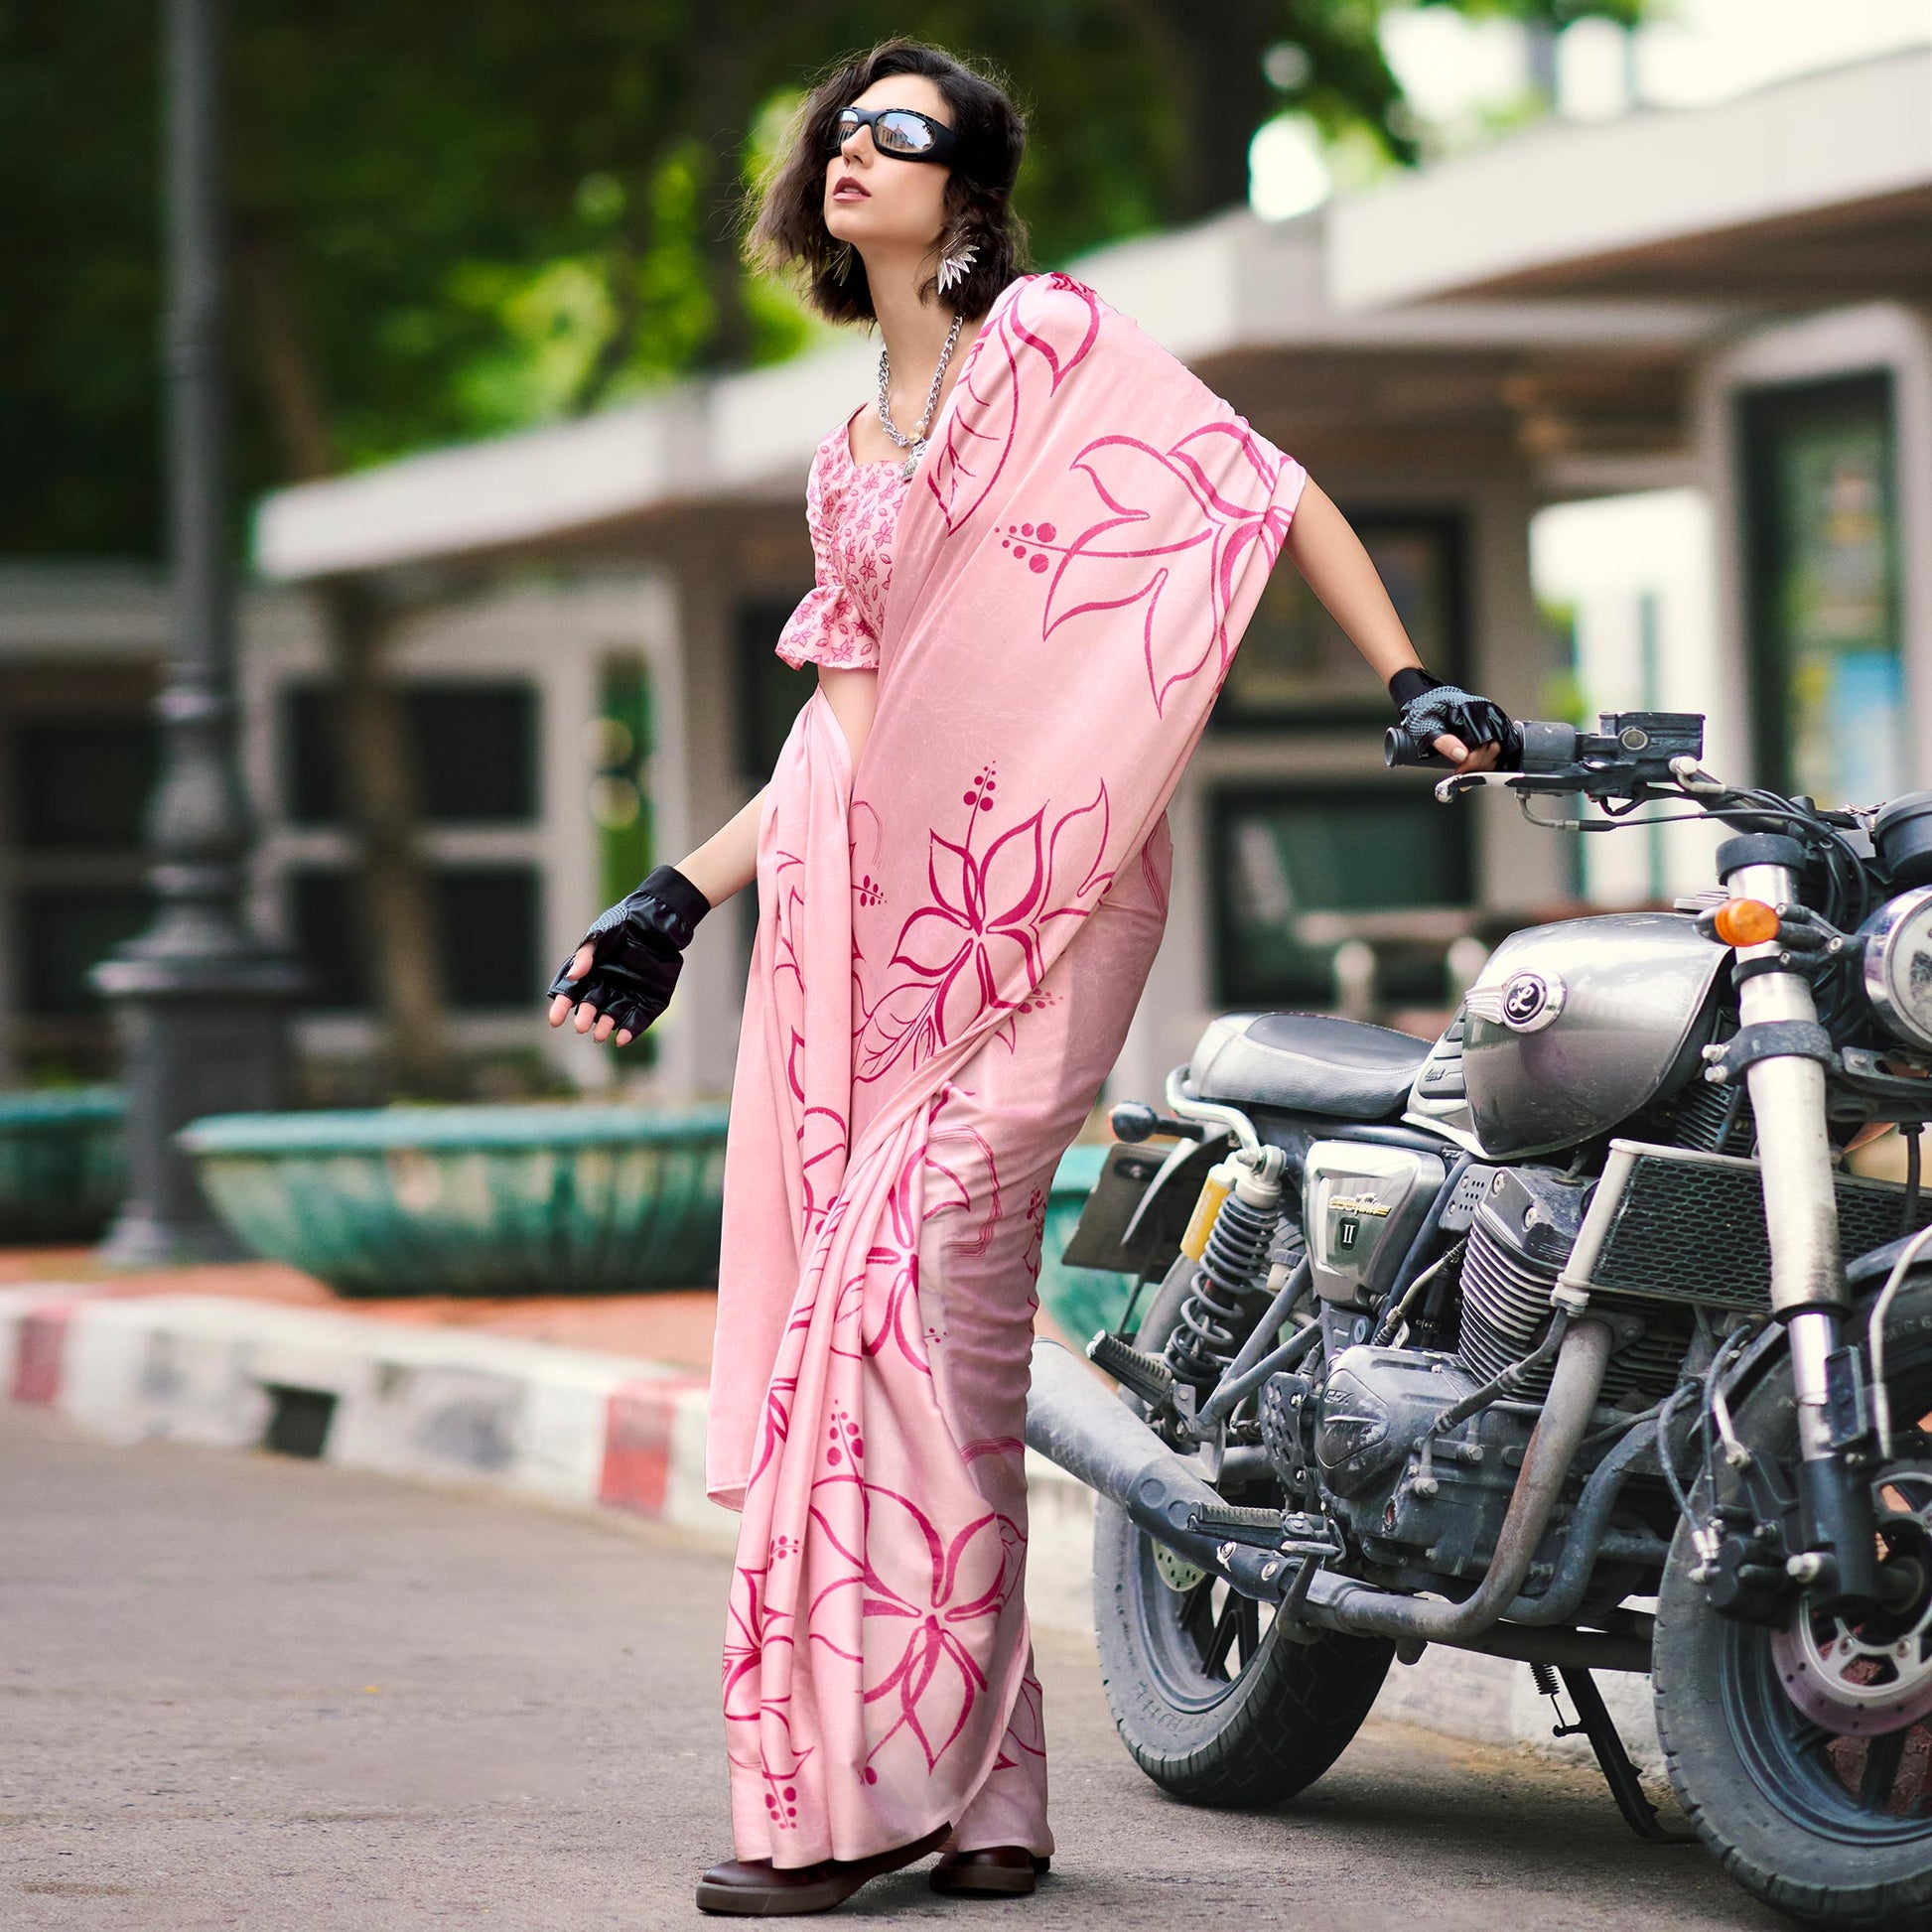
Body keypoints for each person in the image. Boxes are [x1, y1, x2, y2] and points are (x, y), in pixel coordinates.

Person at [546, 37, 1513, 1917]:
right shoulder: (846, 460)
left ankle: (863, 1792)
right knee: (907, 1355)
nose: (853, 153)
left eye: (897, 132)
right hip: (845, 919)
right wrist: (676, 894)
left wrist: (1409, 683)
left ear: (968, 182)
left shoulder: (1053, 347)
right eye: (838, 130)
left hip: (1039, 901)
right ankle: (984, 1800)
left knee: (902, 1308)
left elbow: (1264, 487)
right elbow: (838, 736)